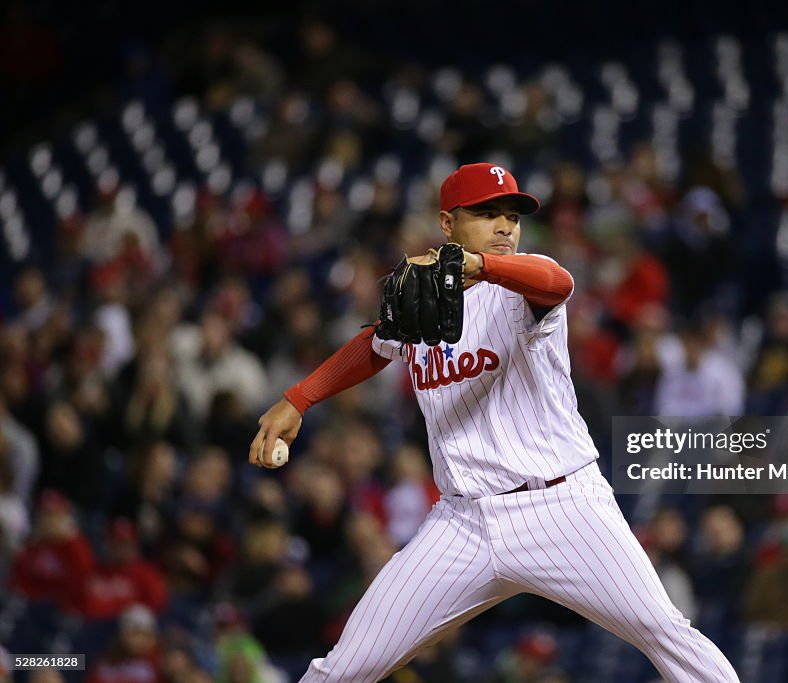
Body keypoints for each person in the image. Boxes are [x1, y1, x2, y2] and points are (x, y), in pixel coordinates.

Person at [250, 163, 739, 683]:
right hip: (460, 523)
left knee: (669, 635)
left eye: (512, 215)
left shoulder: (522, 282)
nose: (505, 225)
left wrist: (479, 264)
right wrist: (300, 398)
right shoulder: (425, 294)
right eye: (487, 214)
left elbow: (559, 282)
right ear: (447, 223)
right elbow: (376, 344)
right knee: (344, 667)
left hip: (562, 507)